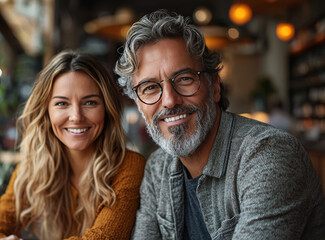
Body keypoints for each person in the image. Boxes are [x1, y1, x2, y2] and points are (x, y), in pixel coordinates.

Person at [114, 9, 325, 240]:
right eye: (150, 88)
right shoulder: (157, 169)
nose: (169, 101)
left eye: (184, 79)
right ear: (138, 104)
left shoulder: (269, 155)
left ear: (214, 86)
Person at [0, 50, 145, 240]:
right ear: (46, 112)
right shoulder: (31, 169)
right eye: (61, 104)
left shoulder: (129, 166)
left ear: (107, 109)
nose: (76, 116)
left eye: (90, 102)